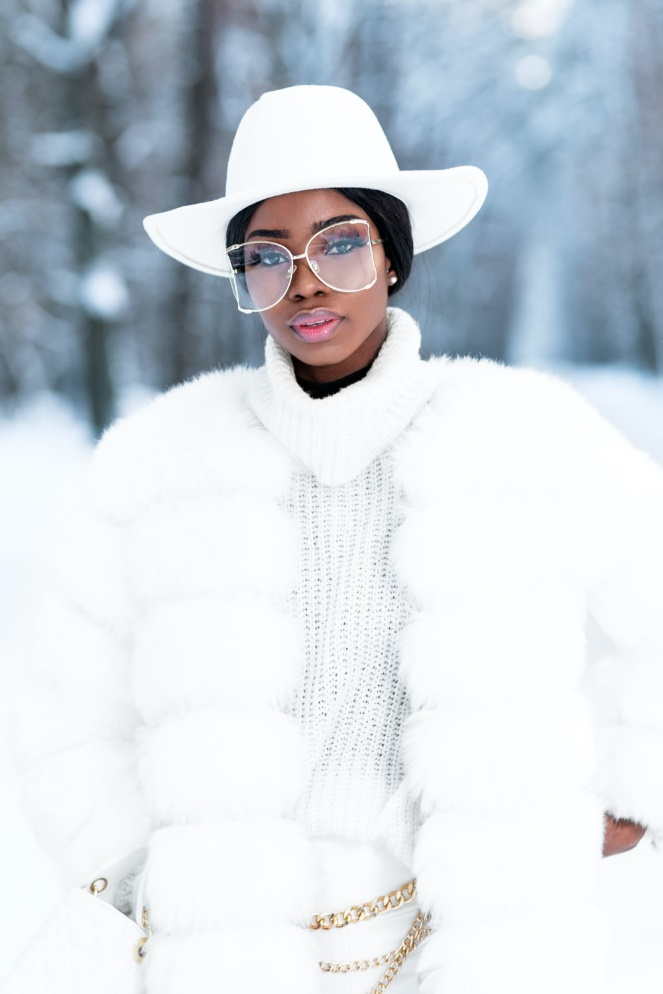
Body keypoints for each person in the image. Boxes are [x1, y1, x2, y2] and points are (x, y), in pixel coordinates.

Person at [11, 85, 663, 994]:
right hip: (226, 953)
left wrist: (629, 791)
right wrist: (148, 872)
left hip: (484, 942)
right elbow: (61, 707)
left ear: (391, 255)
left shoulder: (521, 434)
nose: (306, 281)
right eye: (267, 256)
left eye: (340, 241)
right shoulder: (160, 460)